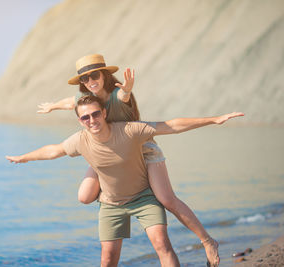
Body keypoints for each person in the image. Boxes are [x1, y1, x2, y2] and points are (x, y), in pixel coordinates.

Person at [37, 54, 244, 266]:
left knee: (166, 199)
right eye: (84, 79)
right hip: (112, 154)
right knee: (84, 195)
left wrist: (213, 120)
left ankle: (208, 241)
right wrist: (52, 106)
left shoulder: (118, 94)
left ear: (105, 74)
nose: (90, 82)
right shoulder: (89, 100)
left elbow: (133, 101)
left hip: (142, 150)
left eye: (94, 75)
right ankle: (115, 198)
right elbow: (69, 102)